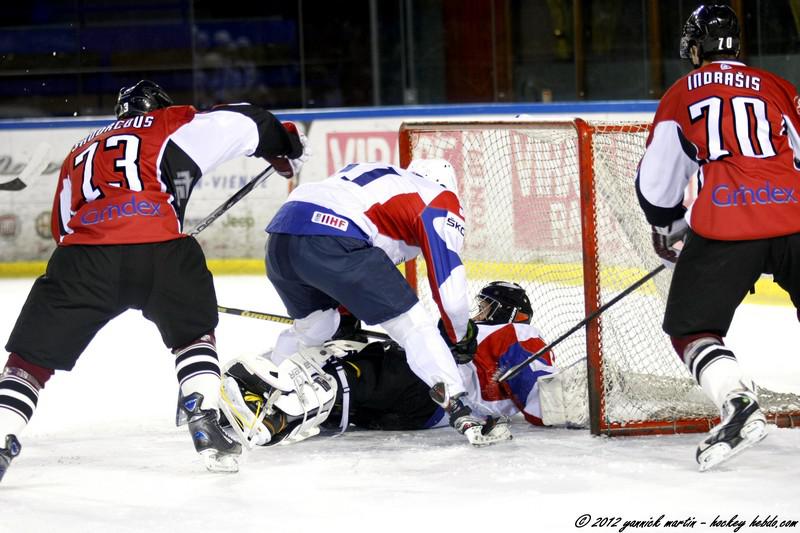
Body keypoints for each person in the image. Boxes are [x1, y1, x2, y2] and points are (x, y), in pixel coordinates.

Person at [0, 80, 308, 480]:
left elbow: (62, 228)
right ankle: (203, 415)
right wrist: (286, 145)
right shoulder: (169, 122)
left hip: (84, 258)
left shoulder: (78, 151)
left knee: (27, 363)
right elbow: (247, 120)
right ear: (160, 105)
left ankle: (2, 433)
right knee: (193, 337)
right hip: (163, 252)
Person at [635, 5, 800, 471]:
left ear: (694, 47)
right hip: (796, 214)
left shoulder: (681, 92)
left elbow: (657, 183)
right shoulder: (777, 86)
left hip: (728, 222)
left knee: (692, 329)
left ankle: (737, 404)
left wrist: (668, 224)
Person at [262, 160, 508, 446]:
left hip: (281, 237)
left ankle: (265, 389)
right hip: (333, 236)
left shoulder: (386, 182)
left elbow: (351, 257)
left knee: (316, 327)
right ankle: (459, 406)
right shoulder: (440, 198)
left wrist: (346, 315)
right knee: (414, 326)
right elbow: (450, 292)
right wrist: (460, 336)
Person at [218, 281, 554, 446]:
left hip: (423, 387)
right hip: (421, 413)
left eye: (486, 307)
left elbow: (539, 399)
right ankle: (253, 405)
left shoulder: (519, 332)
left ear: (508, 312)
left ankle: (273, 411)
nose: (478, 314)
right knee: (346, 387)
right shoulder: (491, 337)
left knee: (346, 370)